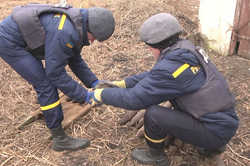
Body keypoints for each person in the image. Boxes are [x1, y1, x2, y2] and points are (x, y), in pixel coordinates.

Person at [89, 13, 239, 165]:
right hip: (224, 121)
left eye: (149, 48)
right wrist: (123, 83)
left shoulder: (171, 68)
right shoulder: (185, 49)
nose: (150, 51)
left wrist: (101, 95)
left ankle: (156, 156)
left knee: (154, 115)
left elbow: (133, 99)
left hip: (214, 131)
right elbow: (154, 75)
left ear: (156, 46)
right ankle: (212, 146)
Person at [0, 3, 115, 151]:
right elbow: (55, 73)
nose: (92, 41)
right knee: (45, 84)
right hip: (9, 42)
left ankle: (53, 117)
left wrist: (94, 83)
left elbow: (74, 58)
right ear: (90, 27)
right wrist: (85, 96)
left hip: (21, 34)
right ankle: (59, 139)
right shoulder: (66, 32)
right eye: (94, 37)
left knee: (46, 80)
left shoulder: (77, 23)